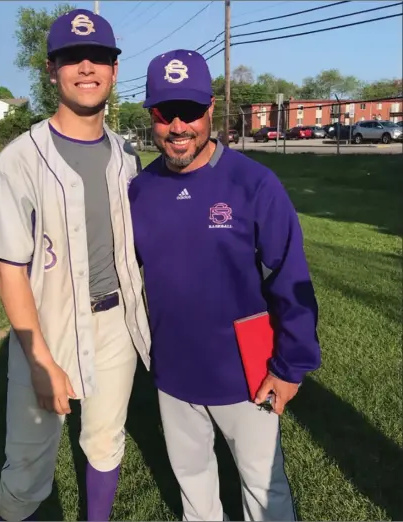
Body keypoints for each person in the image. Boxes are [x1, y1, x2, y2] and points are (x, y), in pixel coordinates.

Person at [128, 49, 322, 521]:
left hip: (248, 373)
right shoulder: (138, 190)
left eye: (191, 112)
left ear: (211, 108)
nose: (178, 126)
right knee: (194, 487)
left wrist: (290, 366)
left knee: (263, 486)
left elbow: (290, 277)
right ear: (151, 114)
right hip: (173, 370)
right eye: (164, 112)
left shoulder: (253, 183)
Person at [0, 9, 150, 521]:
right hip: (46, 325)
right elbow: (9, 268)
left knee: (105, 439)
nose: (86, 67)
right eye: (72, 58)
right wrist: (41, 359)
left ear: (114, 71)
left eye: (98, 57)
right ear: (51, 70)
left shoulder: (126, 154)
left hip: (115, 321)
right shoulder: (20, 158)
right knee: (29, 455)